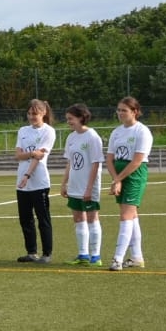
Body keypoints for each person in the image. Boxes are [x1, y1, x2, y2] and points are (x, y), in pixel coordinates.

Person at [105, 96, 153, 271]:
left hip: (134, 175)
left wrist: (118, 179)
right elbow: (109, 158)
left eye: (124, 110)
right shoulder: (116, 132)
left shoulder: (142, 131)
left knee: (126, 215)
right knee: (131, 216)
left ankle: (117, 259)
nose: (120, 113)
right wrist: (115, 179)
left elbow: (137, 160)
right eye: (118, 110)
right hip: (119, 173)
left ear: (135, 112)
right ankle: (137, 257)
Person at [60, 104, 105, 265]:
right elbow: (70, 162)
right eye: (67, 119)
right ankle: (83, 255)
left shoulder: (92, 136)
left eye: (71, 119)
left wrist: (89, 188)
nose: (68, 122)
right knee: (78, 218)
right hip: (74, 185)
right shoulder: (71, 137)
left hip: (88, 186)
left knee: (92, 218)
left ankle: (96, 257)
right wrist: (64, 183)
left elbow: (96, 164)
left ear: (81, 118)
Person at [14, 99, 57, 264]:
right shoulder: (23, 131)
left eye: (35, 113)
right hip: (22, 184)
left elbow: (39, 157)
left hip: (39, 182)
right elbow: (18, 155)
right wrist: (32, 153)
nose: (32, 117)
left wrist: (27, 175)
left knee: (43, 219)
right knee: (25, 219)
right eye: (29, 113)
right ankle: (31, 252)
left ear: (43, 113)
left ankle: (47, 254)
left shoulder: (48, 131)